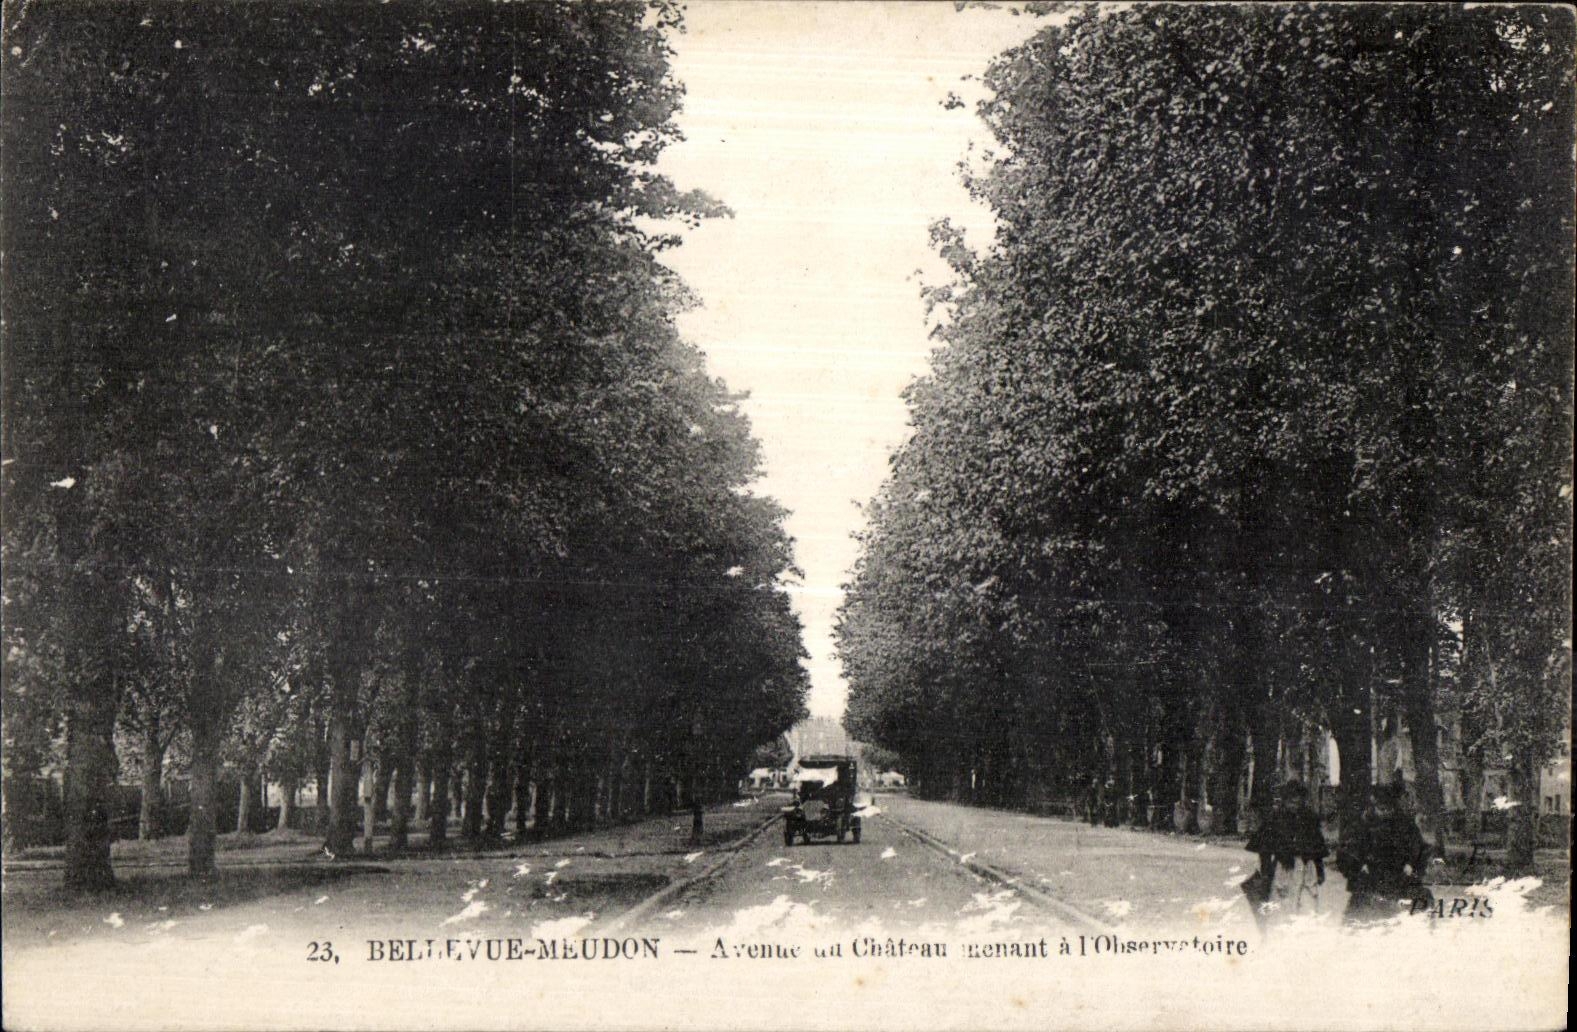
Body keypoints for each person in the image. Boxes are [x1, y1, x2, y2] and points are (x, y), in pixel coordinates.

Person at [1337, 783, 1431, 924]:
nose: (1384, 812)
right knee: (1361, 913)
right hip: (1371, 874)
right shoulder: (1364, 823)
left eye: (1387, 809)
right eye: (1380, 808)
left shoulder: (1405, 824)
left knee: (1409, 906)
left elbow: (1418, 847)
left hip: (1398, 875)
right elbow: (1351, 848)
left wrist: (1411, 863)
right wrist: (1359, 863)